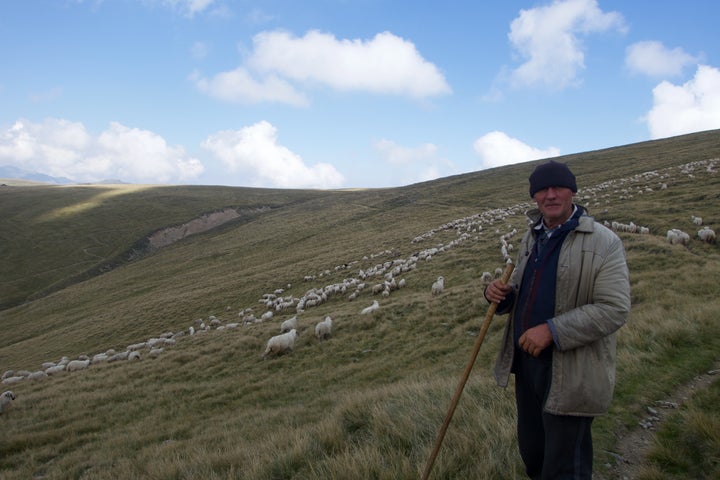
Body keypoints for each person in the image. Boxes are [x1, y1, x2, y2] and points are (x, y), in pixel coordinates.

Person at [484, 160, 631, 479]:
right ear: (534, 197)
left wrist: (552, 330)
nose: (550, 195)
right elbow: (525, 289)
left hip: (572, 371)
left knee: (564, 466)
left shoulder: (603, 242)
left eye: (557, 187)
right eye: (541, 190)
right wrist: (502, 297)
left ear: (572, 191)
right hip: (527, 367)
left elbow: (615, 308)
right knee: (534, 455)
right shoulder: (532, 237)